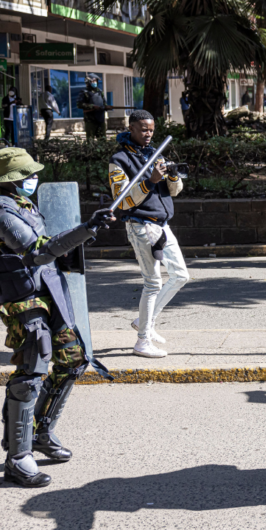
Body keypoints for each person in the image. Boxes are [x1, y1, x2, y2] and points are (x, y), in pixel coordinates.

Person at [0, 148, 116, 487]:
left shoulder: (20, 204)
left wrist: (86, 230)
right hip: (23, 297)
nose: (33, 180)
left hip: (47, 289)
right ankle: (18, 458)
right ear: (10, 181)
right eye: (26, 176)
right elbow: (36, 251)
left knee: (73, 360)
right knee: (31, 372)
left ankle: (40, 433)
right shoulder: (2, 210)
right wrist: (85, 228)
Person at [109, 110, 189, 359]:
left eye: (151, 129)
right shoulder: (119, 159)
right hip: (140, 225)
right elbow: (121, 199)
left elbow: (174, 192)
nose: (148, 134)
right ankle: (142, 340)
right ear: (131, 128)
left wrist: (172, 175)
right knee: (152, 282)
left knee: (181, 275)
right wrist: (150, 181)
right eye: (143, 129)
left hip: (163, 224)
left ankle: (145, 321)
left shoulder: (155, 153)